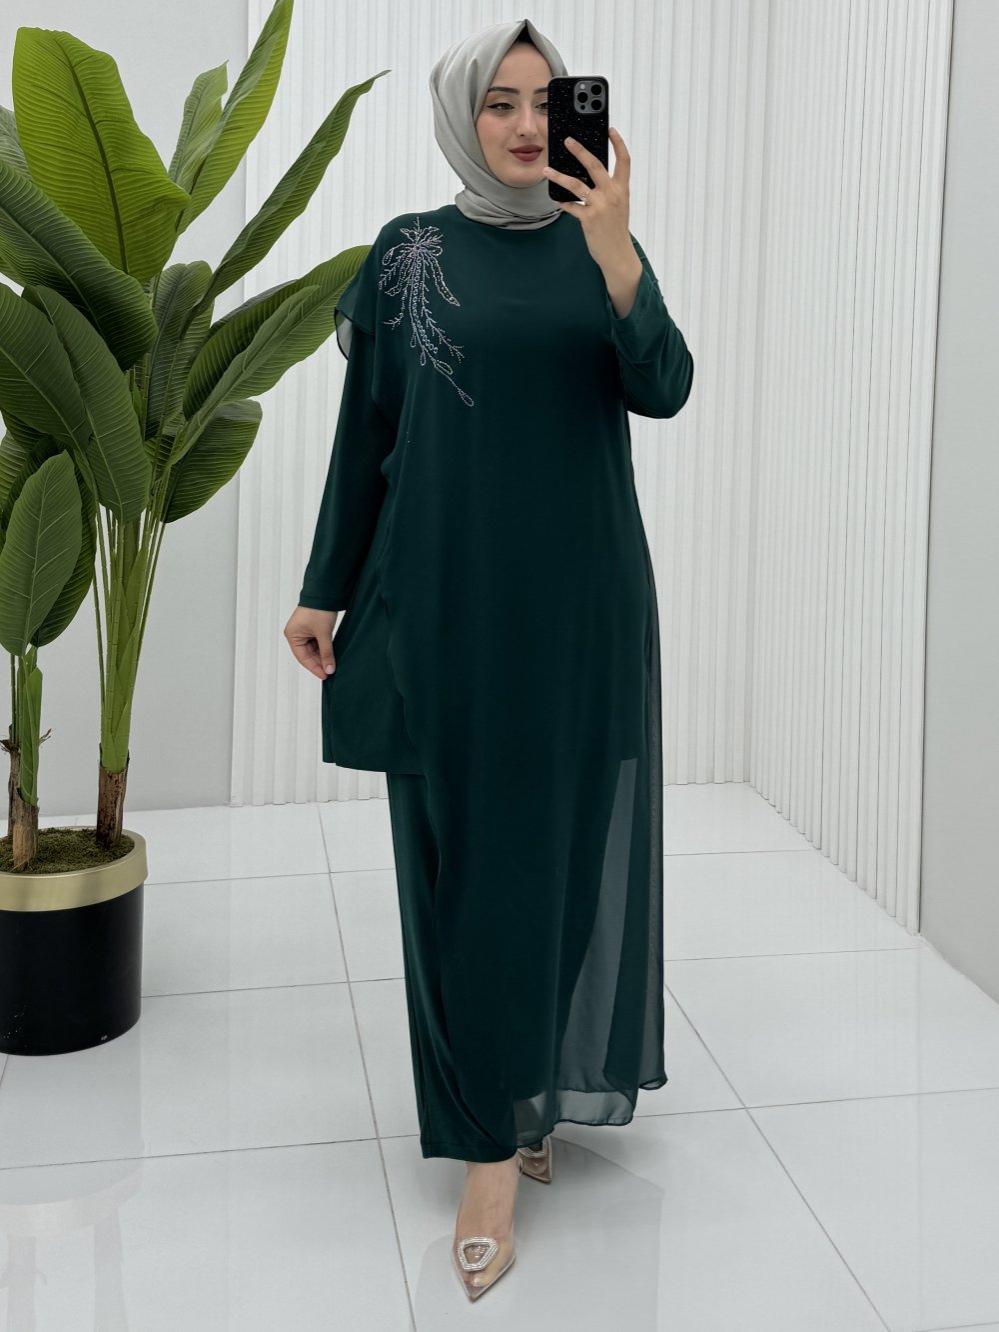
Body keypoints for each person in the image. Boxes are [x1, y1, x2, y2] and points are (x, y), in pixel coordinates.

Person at [284, 16, 694, 1302]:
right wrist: (324, 585)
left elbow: (666, 387)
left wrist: (618, 254)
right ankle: (485, 1152)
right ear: (464, 115)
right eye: (500, 102)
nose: (525, 126)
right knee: (456, 873)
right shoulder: (407, 252)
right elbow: (368, 435)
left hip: (579, 608)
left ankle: (521, 1099)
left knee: (560, 856)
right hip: (440, 606)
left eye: (545, 103)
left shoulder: (601, 247)